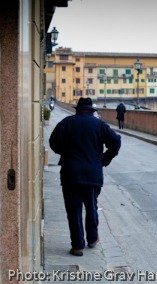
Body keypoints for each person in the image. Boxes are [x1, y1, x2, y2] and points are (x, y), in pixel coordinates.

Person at [49, 97, 121, 256]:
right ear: (91, 111)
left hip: (70, 173)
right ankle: (93, 239)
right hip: (92, 173)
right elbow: (116, 142)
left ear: (78, 109)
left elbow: (53, 142)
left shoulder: (66, 123)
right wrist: (104, 159)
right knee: (91, 206)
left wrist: (66, 153)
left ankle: (77, 246)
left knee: (73, 210)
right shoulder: (99, 125)